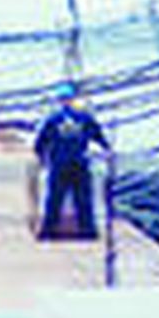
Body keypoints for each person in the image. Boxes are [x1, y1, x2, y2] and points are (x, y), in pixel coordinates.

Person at [33, 82, 109, 240]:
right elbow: (99, 136)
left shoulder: (52, 120)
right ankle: (88, 232)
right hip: (79, 162)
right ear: (73, 99)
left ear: (59, 100)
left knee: (55, 199)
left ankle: (48, 232)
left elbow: (40, 143)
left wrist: (42, 159)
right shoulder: (85, 118)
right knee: (83, 199)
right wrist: (106, 149)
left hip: (59, 163)